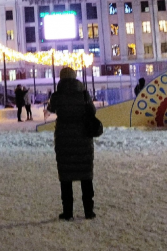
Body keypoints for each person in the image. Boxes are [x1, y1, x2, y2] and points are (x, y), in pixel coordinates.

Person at [47, 67, 96, 220]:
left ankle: (67, 211)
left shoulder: (57, 95)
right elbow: (92, 112)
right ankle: (89, 211)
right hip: (83, 137)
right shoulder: (84, 94)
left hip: (64, 138)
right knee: (86, 175)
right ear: (75, 78)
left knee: (66, 175)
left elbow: (51, 108)